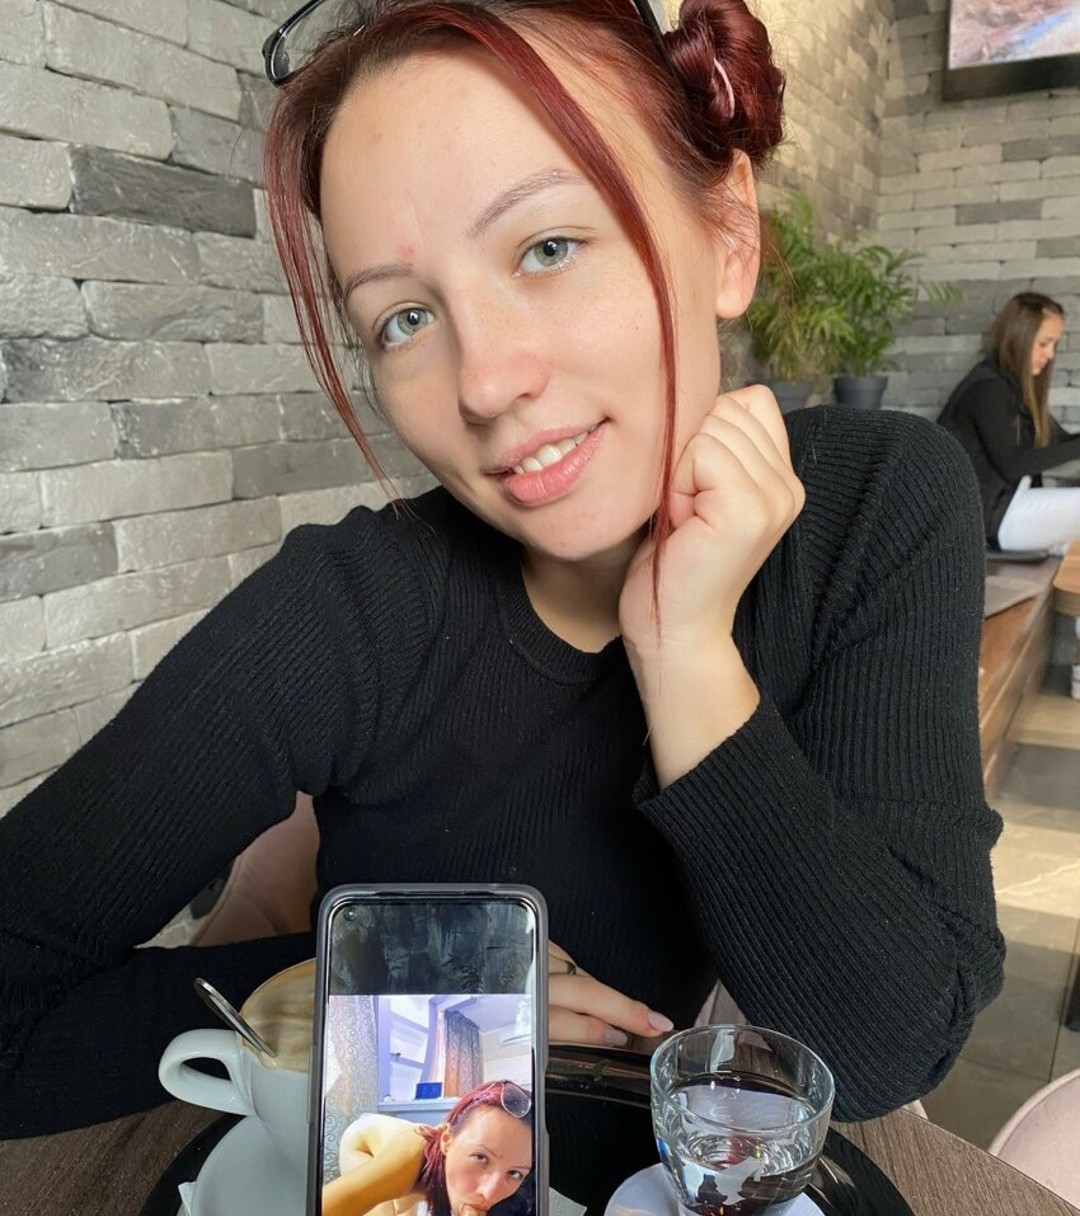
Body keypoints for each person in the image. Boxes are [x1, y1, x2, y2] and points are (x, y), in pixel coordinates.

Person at [0, 0, 1005, 1139]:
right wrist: (373, 1003)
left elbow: (884, 1046)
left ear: (728, 232)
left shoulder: (878, 506)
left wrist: (683, 654)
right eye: (404, 318)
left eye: (547, 248)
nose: (483, 382)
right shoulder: (350, 614)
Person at [320, 1080, 533, 1216]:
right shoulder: (405, 1162)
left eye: (514, 1173)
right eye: (480, 1157)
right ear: (447, 1139)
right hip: (364, 1143)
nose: (489, 1192)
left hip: (413, 1159)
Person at [937, 291, 1080, 551]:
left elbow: (1060, 442)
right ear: (1020, 337)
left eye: (1054, 345)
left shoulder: (1013, 388)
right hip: (991, 520)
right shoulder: (987, 389)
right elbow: (1013, 464)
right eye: (1044, 343)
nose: (1050, 355)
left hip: (1013, 504)